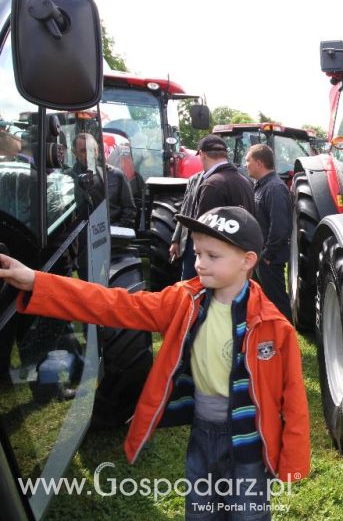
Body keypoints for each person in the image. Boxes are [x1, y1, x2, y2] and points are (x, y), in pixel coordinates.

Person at [0, 205, 311, 519]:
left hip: (250, 443)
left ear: (247, 261)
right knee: (200, 512)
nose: (200, 263)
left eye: (212, 256)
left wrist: (294, 464)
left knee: (249, 514)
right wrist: (37, 282)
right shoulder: (183, 301)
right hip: (203, 434)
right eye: (198, 252)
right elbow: (114, 304)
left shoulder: (274, 327)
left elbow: (295, 400)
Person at [181, 134, 255, 280]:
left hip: (214, 268)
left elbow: (203, 231)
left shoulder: (212, 184)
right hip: (238, 260)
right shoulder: (245, 181)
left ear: (202, 155)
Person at [245, 144, 292, 321]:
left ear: (259, 163)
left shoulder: (275, 188)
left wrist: (267, 255)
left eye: (248, 161)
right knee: (261, 301)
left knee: (277, 303)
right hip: (260, 257)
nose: (245, 165)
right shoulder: (261, 186)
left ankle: (287, 343)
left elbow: (280, 227)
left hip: (269, 259)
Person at [73, 132, 137, 228]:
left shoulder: (116, 175)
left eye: (91, 150)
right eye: (83, 151)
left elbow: (129, 210)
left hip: (112, 232)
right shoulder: (69, 178)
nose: (88, 155)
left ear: (97, 151)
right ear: (74, 153)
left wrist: (115, 230)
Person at [170, 170, 204, 279]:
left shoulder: (225, 180)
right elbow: (184, 211)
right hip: (190, 244)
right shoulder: (194, 179)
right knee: (188, 282)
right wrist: (175, 240)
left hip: (209, 245)